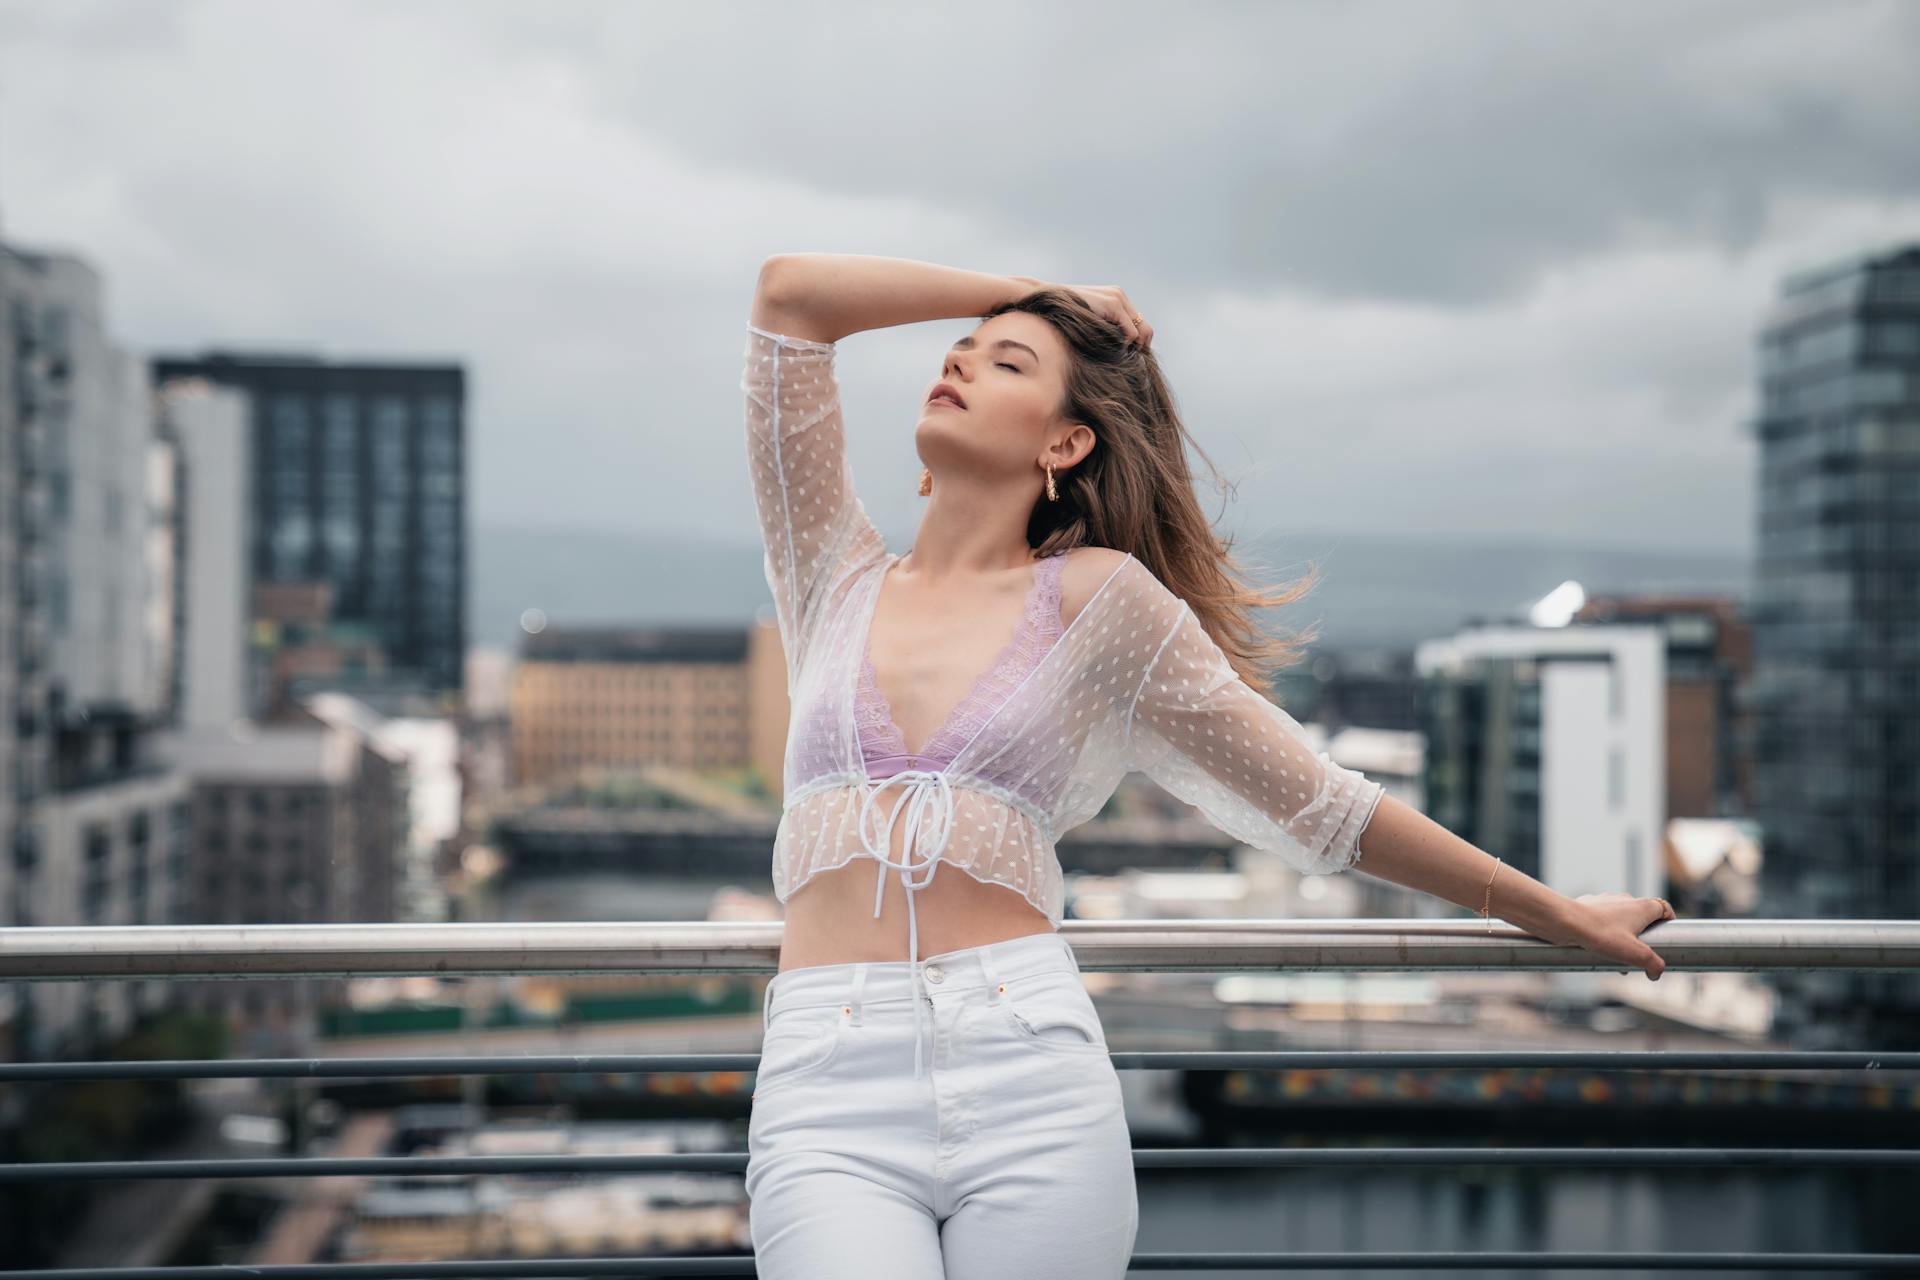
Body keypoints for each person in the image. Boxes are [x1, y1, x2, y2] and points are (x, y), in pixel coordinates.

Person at [739, 252, 1676, 1278]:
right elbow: (792, 298)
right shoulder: (830, 568)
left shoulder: (1103, 604)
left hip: (1026, 1070)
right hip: (830, 1084)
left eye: (1004, 362)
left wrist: (1557, 913)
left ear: (1067, 440)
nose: (958, 360)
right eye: (958, 349)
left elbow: (1322, 805)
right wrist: (1031, 292)